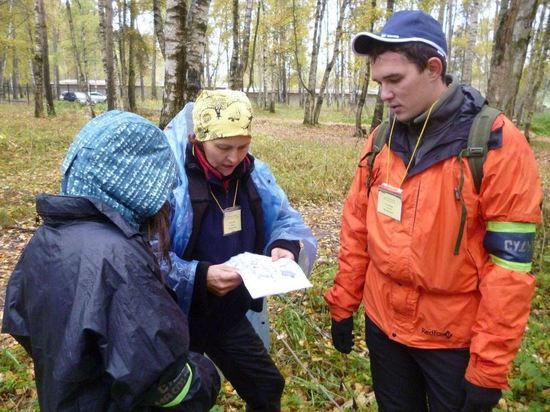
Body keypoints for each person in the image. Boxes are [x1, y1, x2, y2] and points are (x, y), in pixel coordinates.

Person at [324, 10, 542, 412]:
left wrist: (488, 368)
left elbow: (510, 270)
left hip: (451, 340)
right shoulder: (380, 141)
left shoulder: (495, 144)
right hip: (383, 328)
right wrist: (343, 304)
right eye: (379, 83)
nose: (384, 95)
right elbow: (357, 229)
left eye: (395, 80)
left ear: (433, 69)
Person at [2, 111, 220, 411]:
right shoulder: (119, 258)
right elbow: (167, 382)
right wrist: (206, 375)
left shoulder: (48, 237)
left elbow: (24, 324)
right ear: (140, 185)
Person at [162, 89, 317, 411]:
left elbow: (284, 218)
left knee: (266, 386)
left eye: (242, 146)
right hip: (174, 316)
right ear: (197, 138)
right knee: (183, 400)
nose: (234, 158)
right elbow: (143, 252)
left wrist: (284, 246)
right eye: (223, 147)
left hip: (226, 313)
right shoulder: (171, 178)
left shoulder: (252, 175)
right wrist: (198, 275)